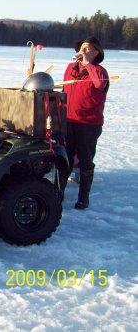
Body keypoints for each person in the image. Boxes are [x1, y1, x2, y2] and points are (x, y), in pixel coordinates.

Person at [62, 37, 109, 210]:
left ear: (97, 53)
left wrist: (88, 64)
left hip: (89, 125)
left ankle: (83, 198)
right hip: (68, 121)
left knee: (85, 161)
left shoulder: (100, 71)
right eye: (82, 48)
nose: (83, 51)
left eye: (88, 49)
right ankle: (59, 193)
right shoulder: (70, 69)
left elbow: (98, 85)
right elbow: (64, 91)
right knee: (65, 159)